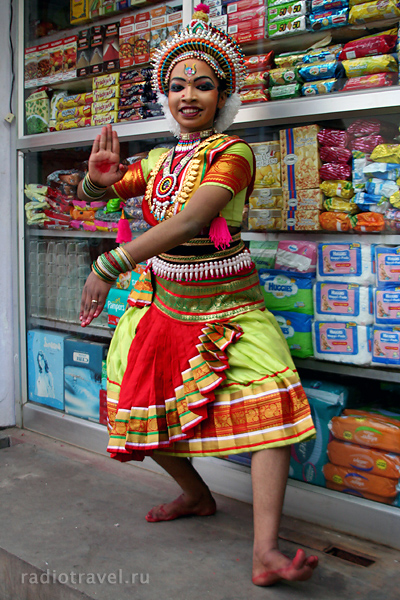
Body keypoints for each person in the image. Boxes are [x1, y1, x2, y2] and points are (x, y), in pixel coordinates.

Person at [78, 4, 318, 587]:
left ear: (222, 95)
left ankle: (265, 550)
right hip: (161, 302)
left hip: (228, 305)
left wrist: (110, 263)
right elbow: (100, 190)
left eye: (204, 85)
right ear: (166, 97)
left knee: (276, 408)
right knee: (132, 407)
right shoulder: (159, 159)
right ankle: (197, 495)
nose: (190, 95)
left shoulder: (233, 153)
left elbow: (189, 222)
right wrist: (98, 176)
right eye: (178, 85)